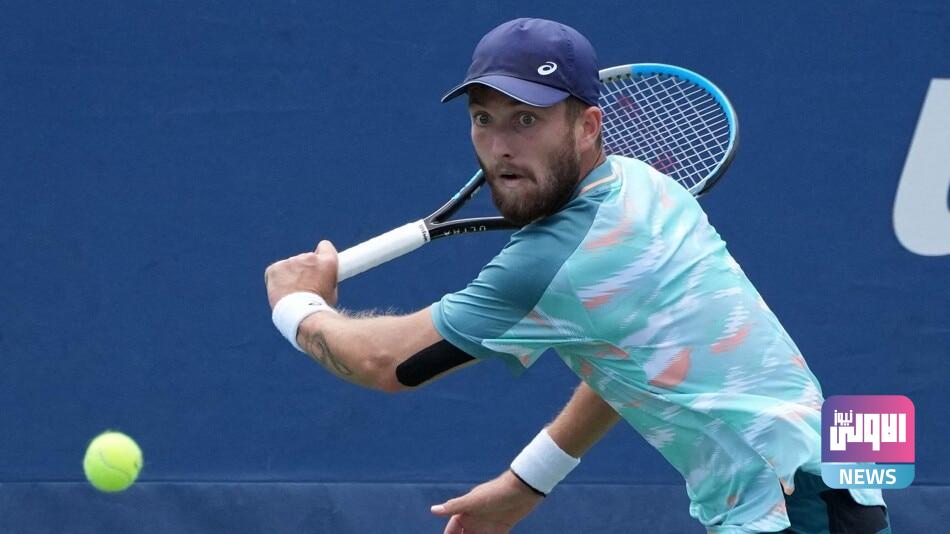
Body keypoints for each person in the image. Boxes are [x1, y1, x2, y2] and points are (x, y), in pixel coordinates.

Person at [264, 17, 890, 534]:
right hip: (820, 486)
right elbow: (630, 357)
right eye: (484, 119)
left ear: (588, 127)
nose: (501, 145)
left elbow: (387, 364)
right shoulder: (644, 184)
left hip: (791, 506)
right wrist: (527, 481)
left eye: (526, 120)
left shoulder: (553, 259)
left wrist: (298, 307)